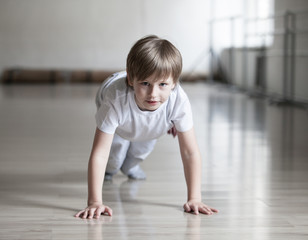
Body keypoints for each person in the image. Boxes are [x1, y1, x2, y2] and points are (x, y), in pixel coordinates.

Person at [75, 35, 218, 219]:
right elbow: (99, 153)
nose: (153, 93)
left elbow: (190, 152)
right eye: (145, 84)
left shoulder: (178, 99)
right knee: (114, 157)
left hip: (151, 124)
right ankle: (111, 170)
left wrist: (195, 198)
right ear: (131, 79)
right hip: (120, 118)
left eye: (162, 84)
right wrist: (94, 202)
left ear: (174, 83)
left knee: (140, 150)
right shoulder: (115, 100)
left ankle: (131, 166)